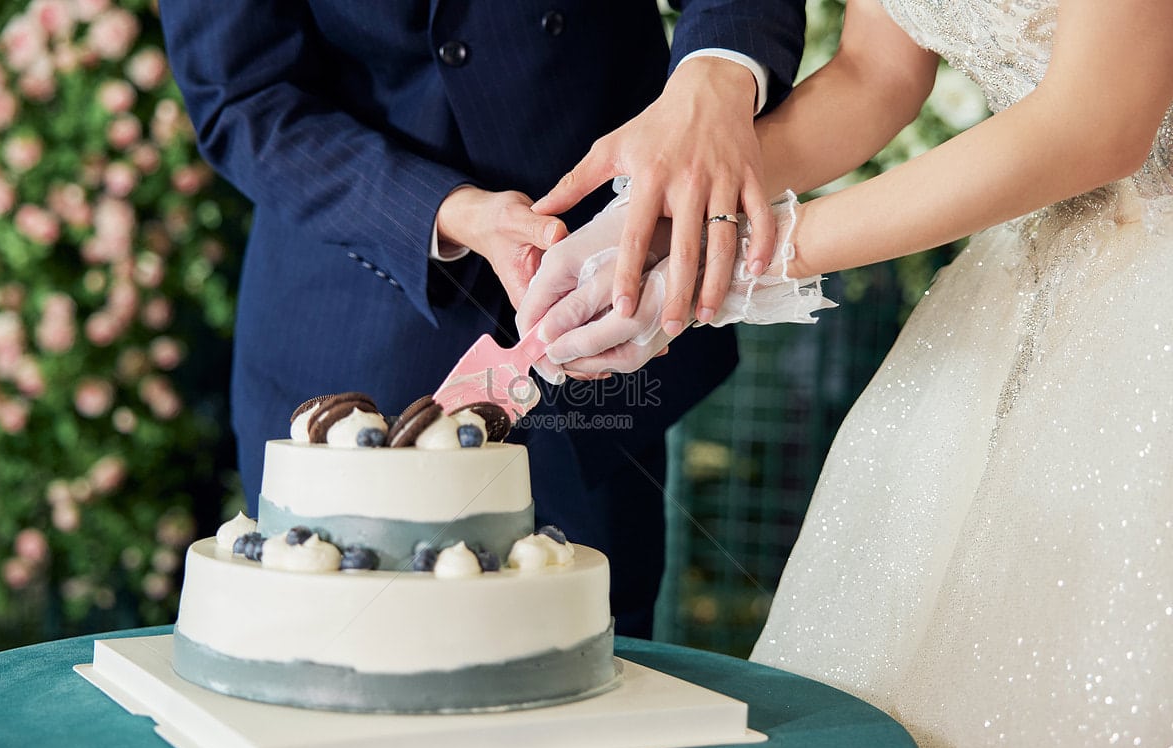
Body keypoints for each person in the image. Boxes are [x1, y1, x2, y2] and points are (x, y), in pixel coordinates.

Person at [523, 0, 1173, 748]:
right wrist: (652, 220)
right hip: (1034, 278)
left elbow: (1097, 122)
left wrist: (743, 262)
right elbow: (876, 74)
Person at [157, 2, 807, 637]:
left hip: (607, 299)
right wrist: (449, 212)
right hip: (355, 307)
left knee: (592, 667)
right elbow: (240, 97)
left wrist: (713, 78)